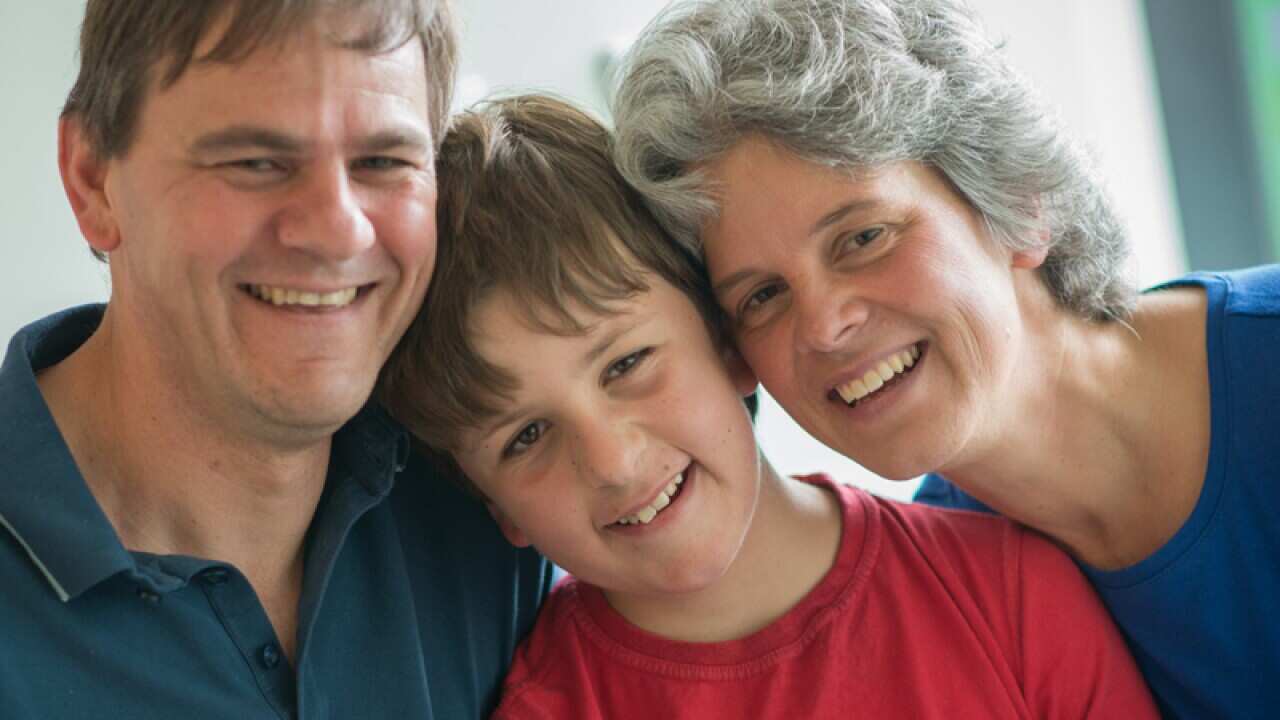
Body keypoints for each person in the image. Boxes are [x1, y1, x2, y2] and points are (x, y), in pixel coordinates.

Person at [378, 93, 1158, 719]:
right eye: (527, 437)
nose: (612, 461)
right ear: (495, 505)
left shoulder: (1012, 597)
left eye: (627, 363)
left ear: (727, 340)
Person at [609, 0, 1280, 716]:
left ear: (1021, 202)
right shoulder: (955, 592)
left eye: (863, 237)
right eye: (763, 295)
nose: (825, 328)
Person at [0, 2, 551, 718]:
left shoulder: (492, 497)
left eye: (384, 161)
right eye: (256, 161)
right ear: (92, 180)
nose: (336, 230)